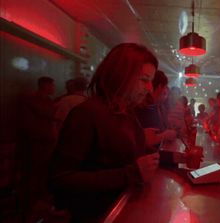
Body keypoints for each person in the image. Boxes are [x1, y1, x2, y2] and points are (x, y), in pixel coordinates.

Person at [50, 43, 160, 222]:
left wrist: (169, 158)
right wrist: (131, 173)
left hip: (123, 211)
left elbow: (125, 159)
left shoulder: (127, 113)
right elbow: (60, 179)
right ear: (121, 75)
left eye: (151, 81)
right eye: (144, 79)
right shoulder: (87, 113)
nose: (150, 88)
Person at [16, 76, 57, 221]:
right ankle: (29, 208)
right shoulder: (36, 101)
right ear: (45, 85)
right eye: (52, 85)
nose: (54, 88)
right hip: (36, 143)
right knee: (34, 174)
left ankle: (34, 207)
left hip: (41, 142)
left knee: (39, 174)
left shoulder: (43, 101)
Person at [135, 70, 176, 148]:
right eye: (144, 80)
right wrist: (164, 135)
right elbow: (146, 142)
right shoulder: (145, 107)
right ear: (160, 86)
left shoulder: (154, 106)